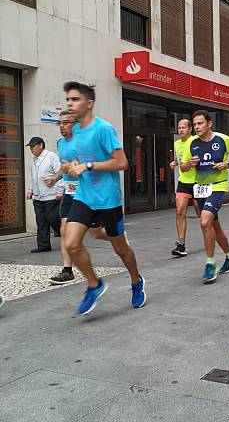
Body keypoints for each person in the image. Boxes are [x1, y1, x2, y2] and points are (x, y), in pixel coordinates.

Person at [62, 81, 146, 315]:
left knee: (120, 248)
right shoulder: (76, 131)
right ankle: (94, 284)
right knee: (70, 243)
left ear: (89, 103)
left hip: (108, 200)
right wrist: (75, 166)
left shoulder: (103, 129)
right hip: (84, 196)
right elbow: (82, 159)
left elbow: (122, 163)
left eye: (75, 99)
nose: (70, 103)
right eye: (68, 99)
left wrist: (88, 166)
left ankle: (136, 281)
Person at [45, 111, 111, 285]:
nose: (62, 126)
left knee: (96, 232)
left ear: (75, 124)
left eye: (66, 122)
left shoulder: (84, 143)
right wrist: (55, 178)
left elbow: (90, 165)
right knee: (64, 228)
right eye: (60, 123)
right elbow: (63, 167)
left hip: (85, 191)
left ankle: (116, 235)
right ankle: (67, 271)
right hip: (69, 191)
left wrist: (77, 166)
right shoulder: (60, 143)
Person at [180, 110, 229, 283]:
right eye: (195, 125)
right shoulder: (191, 142)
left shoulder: (223, 139)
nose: (197, 127)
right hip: (200, 187)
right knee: (214, 226)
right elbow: (183, 167)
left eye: (200, 124)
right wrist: (189, 164)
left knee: (205, 221)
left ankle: (210, 263)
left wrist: (227, 164)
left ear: (209, 124)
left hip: (219, 185)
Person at [26, 136, 63, 253]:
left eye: (33, 146)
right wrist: (30, 190)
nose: (31, 149)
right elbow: (33, 177)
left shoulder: (51, 157)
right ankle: (43, 245)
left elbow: (61, 172)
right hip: (37, 196)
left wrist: (60, 191)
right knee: (41, 221)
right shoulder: (33, 159)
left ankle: (66, 233)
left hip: (51, 195)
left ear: (40, 145)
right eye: (30, 147)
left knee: (52, 218)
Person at [170, 119, 200, 257]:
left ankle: (212, 235)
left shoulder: (196, 141)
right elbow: (178, 159)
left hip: (198, 182)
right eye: (179, 128)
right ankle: (181, 245)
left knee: (203, 215)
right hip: (183, 182)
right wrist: (174, 163)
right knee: (180, 212)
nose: (181, 130)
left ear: (190, 129)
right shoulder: (176, 144)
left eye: (183, 128)